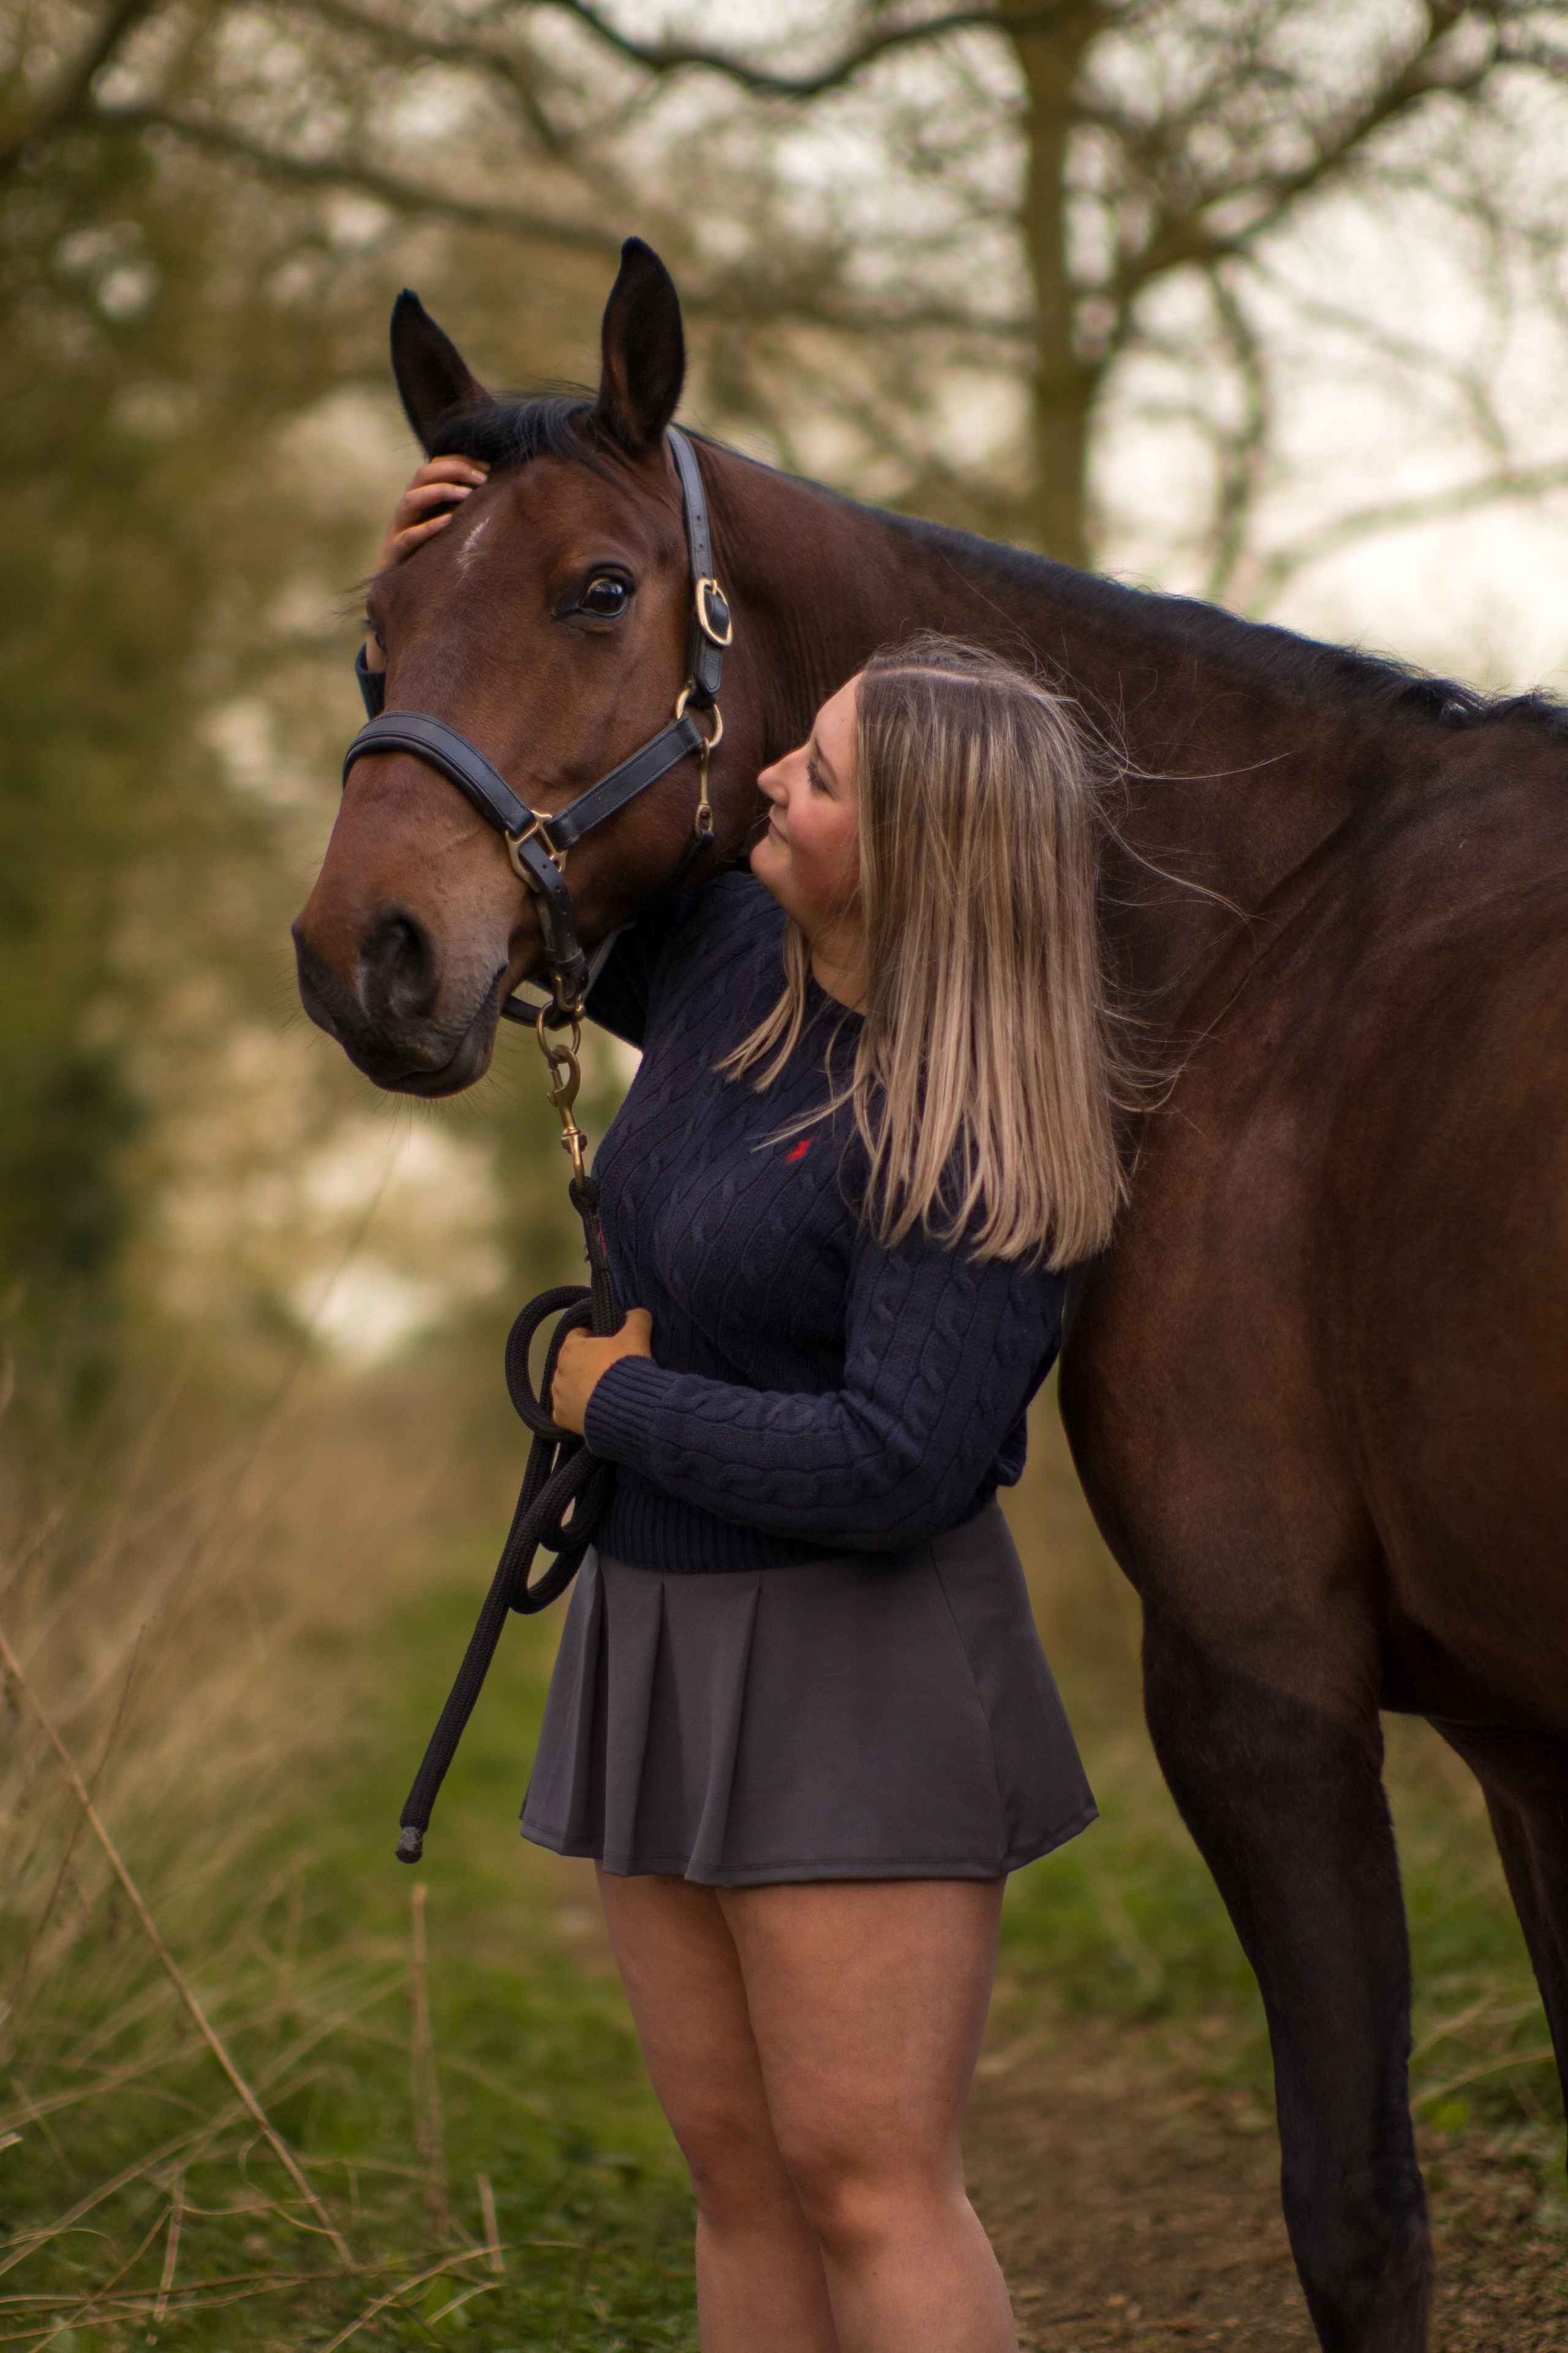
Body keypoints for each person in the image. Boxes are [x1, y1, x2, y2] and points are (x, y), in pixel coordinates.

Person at [363, 461, 1126, 2353]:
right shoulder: (721, 968)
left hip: (854, 1672)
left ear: (934, 848)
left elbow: (903, 1460)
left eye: (829, 775)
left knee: (871, 2182)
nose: (776, 773)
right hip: (664, 1638)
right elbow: (484, 834)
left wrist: (614, 1405)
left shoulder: (968, 1122)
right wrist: (420, 596)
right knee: (736, 2170)